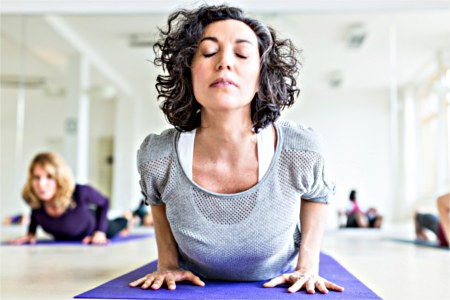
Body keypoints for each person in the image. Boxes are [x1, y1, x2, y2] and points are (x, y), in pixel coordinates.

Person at [129, 5, 344, 294]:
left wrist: (307, 266)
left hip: (275, 275)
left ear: (261, 76)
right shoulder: (158, 157)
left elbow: (318, 195)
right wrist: (167, 264)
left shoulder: (300, 149)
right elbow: (157, 201)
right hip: (195, 278)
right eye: (207, 52)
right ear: (188, 72)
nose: (224, 63)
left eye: (242, 54)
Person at [9, 152, 131, 245]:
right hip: (69, 235)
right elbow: (35, 213)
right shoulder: (35, 199)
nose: (41, 184)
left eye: (49, 177)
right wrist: (31, 233)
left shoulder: (79, 192)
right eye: (37, 177)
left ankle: (128, 217)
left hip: (93, 224)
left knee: (117, 225)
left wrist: (99, 232)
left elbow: (104, 202)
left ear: (59, 178)